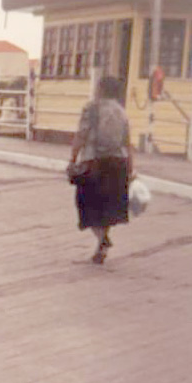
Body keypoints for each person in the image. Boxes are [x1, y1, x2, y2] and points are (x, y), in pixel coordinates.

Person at [68, 75, 134, 265]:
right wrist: (131, 167)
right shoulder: (122, 111)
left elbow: (81, 135)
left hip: (94, 163)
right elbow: (127, 142)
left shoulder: (91, 108)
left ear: (101, 89)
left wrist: (72, 159)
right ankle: (102, 244)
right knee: (106, 207)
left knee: (86, 204)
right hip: (118, 163)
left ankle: (102, 240)